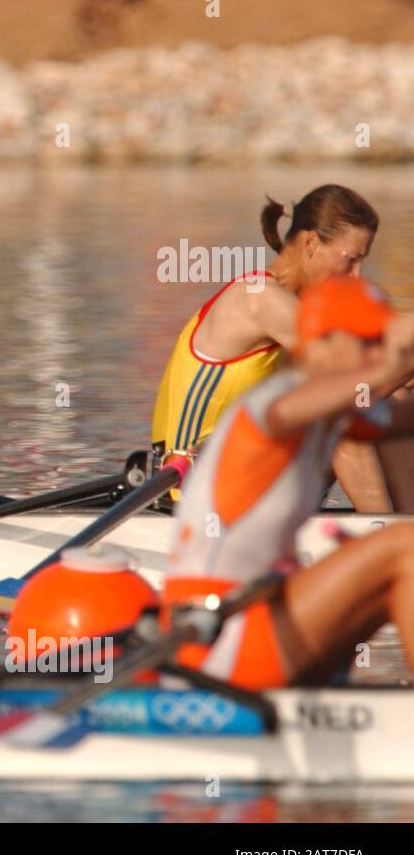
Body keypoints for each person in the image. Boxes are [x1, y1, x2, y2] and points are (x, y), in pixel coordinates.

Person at [163, 275, 414, 688]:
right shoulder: (275, 402)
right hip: (217, 637)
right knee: (403, 544)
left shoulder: (335, 415)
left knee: (380, 574)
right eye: (367, 341)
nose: (376, 353)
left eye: (379, 340)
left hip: (261, 618)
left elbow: (400, 418)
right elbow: (290, 413)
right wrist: (391, 361)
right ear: (319, 346)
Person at [149, 184, 414, 510]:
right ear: (311, 243)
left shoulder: (302, 305)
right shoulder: (258, 298)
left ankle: (404, 523)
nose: (356, 277)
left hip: (256, 472)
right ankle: (384, 534)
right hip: (196, 489)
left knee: (393, 400)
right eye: (351, 260)